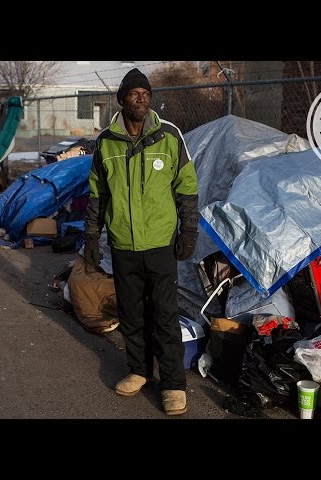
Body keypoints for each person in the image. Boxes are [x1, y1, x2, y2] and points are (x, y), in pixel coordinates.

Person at [83, 68, 199, 415]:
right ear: (121, 100)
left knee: (164, 316)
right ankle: (138, 370)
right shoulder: (106, 142)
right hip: (123, 245)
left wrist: (188, 230)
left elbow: (187, 189)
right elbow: (97, 194)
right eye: (135, 93)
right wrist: (91, 235)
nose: (142, 98)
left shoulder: (169, 136)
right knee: (132, 315)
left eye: (146, 93)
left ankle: (174, 384)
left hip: (160, 243)